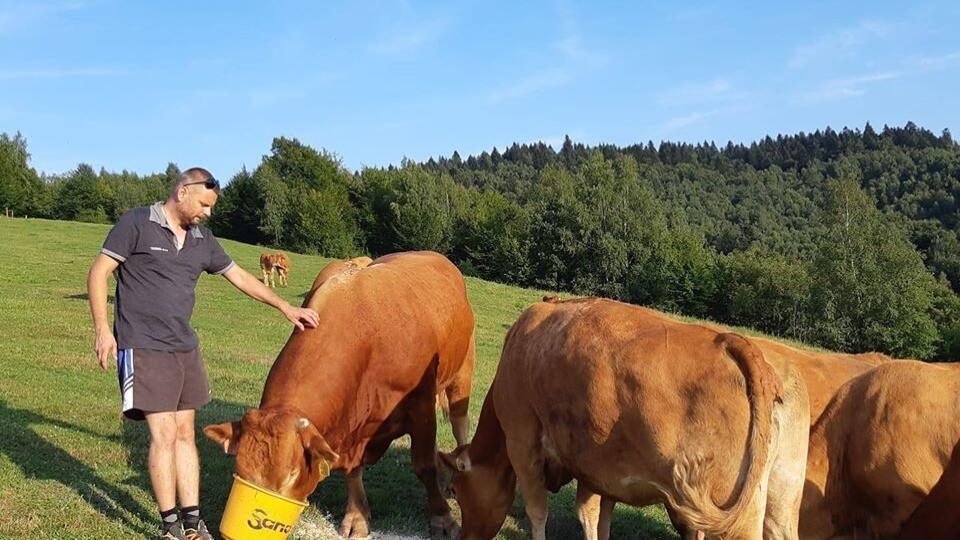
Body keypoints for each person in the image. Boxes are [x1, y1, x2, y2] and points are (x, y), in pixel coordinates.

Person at [87, 167, 319, 540]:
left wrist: (285, 308)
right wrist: (102, 331)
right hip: (143, 345)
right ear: (183, 191)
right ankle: (169, 527)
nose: (207, 213)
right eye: (204, 204)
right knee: (163, 436)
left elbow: (241, 277)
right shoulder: (137, 224)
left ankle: (193, 522)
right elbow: (99, 273)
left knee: (185, 434)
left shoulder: (201, 239)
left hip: (184, 347)